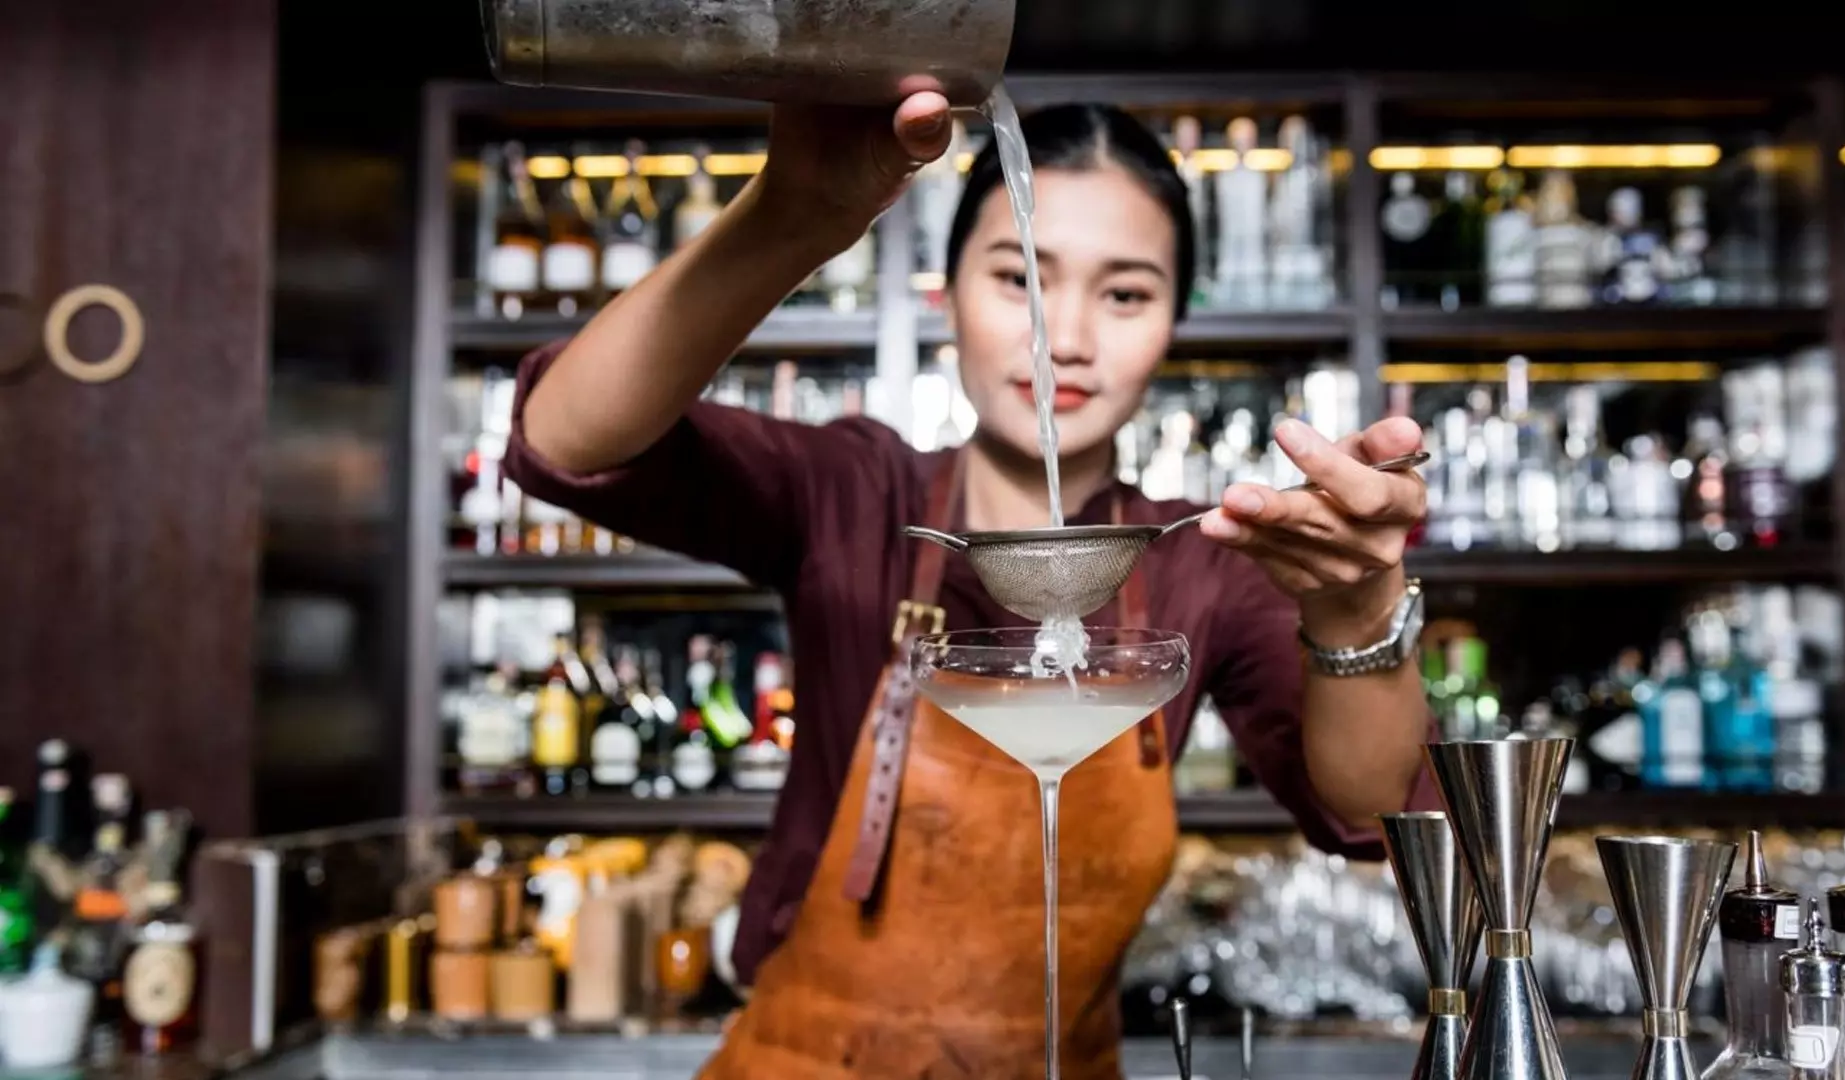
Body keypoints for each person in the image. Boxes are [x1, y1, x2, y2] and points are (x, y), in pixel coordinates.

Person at [507, 90, 1440, 1079]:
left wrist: (1357, 612)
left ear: (1177, 321)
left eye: (1124, 294)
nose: (1063, 337)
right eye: (1019, 281)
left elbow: (1377, 808)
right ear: (944, 293)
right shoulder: (857, 493)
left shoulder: (1200, 560)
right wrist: (787, 217)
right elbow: (565, 440)